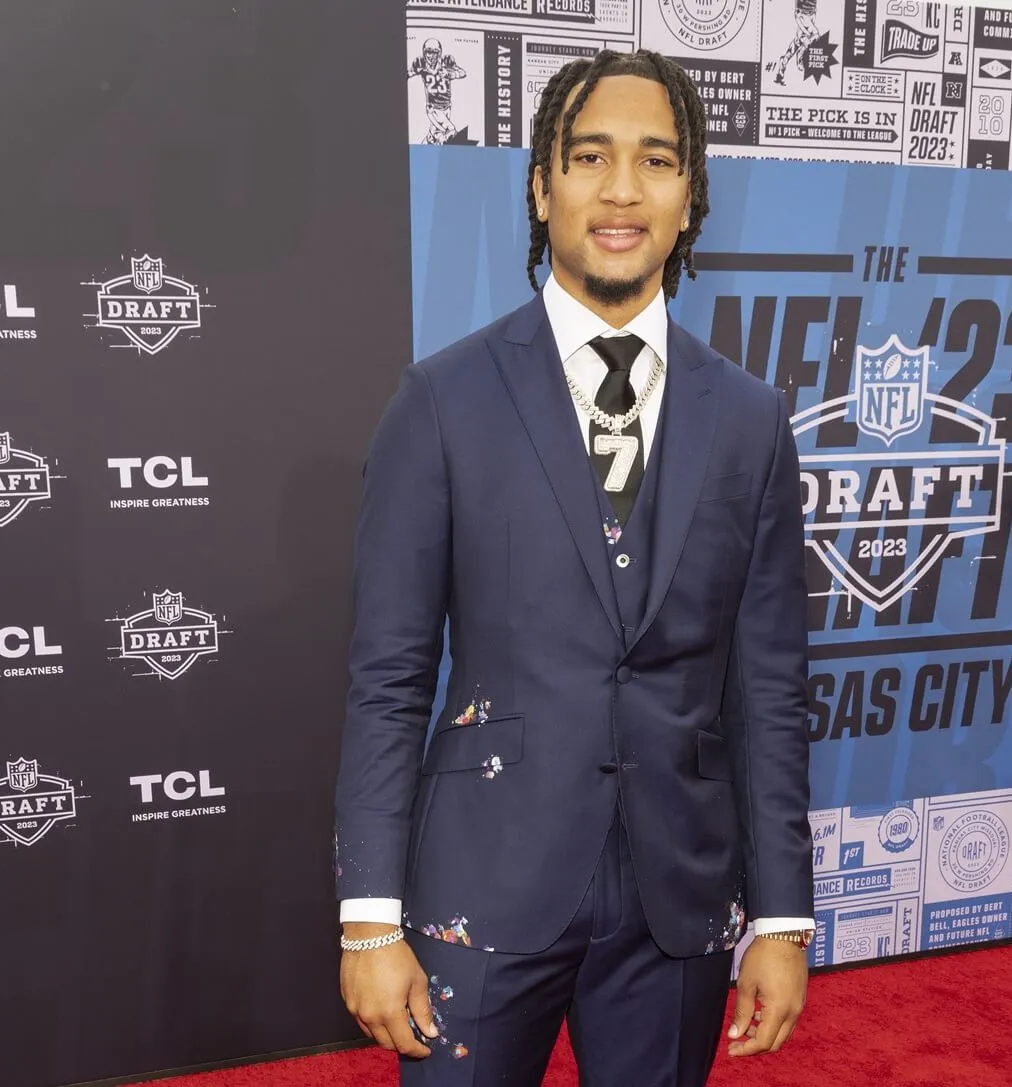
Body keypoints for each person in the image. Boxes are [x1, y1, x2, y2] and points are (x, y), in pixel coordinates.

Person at [335, 47, 814, 1086]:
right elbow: (389, 678)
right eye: (590, 156)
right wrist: (369, 920)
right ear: (541, 185)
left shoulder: (750, 420)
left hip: (674, 899)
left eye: (656, 161)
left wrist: (782, 912)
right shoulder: (442, 403)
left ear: (691, 199)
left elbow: (768, 688)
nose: (622, 190)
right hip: (483, 883)